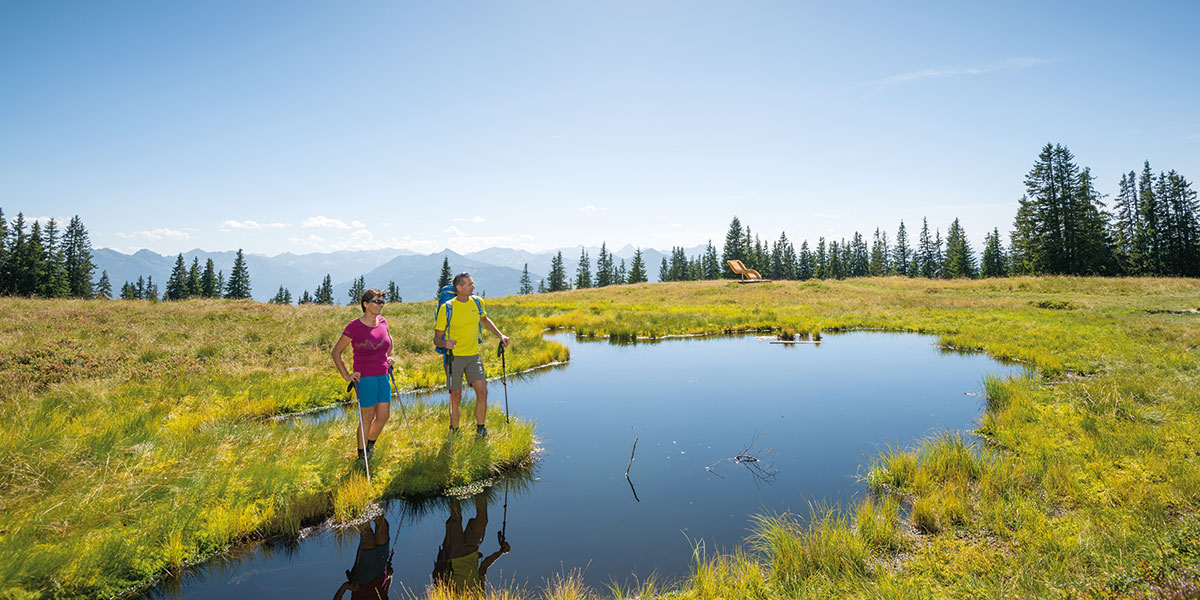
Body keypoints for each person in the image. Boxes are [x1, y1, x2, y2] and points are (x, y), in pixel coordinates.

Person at [433, 273, 510, 438]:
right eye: (469, 284)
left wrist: (500, 335)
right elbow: (437, 339)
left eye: (473, 283)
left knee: (482, 391)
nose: (473, 287)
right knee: (456, 395)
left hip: (473, 356)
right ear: (459, 288)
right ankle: (455, 430)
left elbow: (485, 320)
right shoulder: (447, 308)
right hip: (454, 358)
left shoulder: (477, 302)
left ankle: (481, 428)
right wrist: (444, 343)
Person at [332, 288, 394, 460]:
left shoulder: (383, 322)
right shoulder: (354, 326)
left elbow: (389, 342)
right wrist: (346, 375)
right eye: (377, 301)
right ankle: (362, 456)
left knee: (383, 416)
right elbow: (336, 352)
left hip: (383, 375)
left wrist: (390, 357)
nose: (380, 305)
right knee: (367, 417)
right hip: (365, 378)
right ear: (365, 304)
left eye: (382, 302)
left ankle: (370, 444)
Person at [431, 493, 510, 593]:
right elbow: (484, 567)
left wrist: (440, 574)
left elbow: (436, 577)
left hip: (454, 554)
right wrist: (501, 552)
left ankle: (454, 485)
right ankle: (481, 487)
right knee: (482, 521)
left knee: (456, 517)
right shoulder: (479, 595)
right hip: (472, 551)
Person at [334, 514, 392, 600]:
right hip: (381, 574)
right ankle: (372, 505)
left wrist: (344, 587)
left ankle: (361, 507)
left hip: (364, 581)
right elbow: (384, 595)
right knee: (383, 527)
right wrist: (389, 578)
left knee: (368, 537)